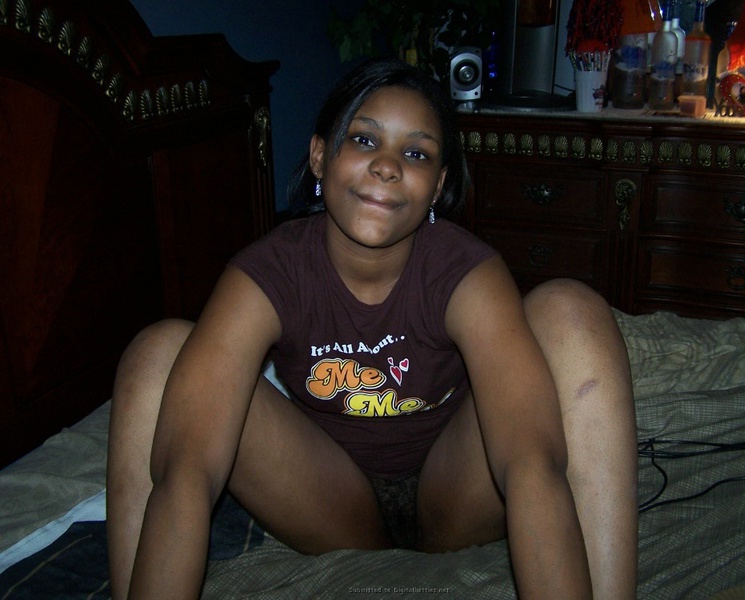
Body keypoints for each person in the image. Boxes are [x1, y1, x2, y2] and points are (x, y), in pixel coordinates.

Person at [106, 57, 638, 600]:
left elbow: (529, 462)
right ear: (319, 156)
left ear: (439, 185)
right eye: (364, 141)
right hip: (332, 500)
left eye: (416, 153)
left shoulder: (465, 272)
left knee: (571, 308)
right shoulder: (268, 273)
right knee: (158, 352)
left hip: (454, 494)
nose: (387, 166)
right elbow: (186, 473)